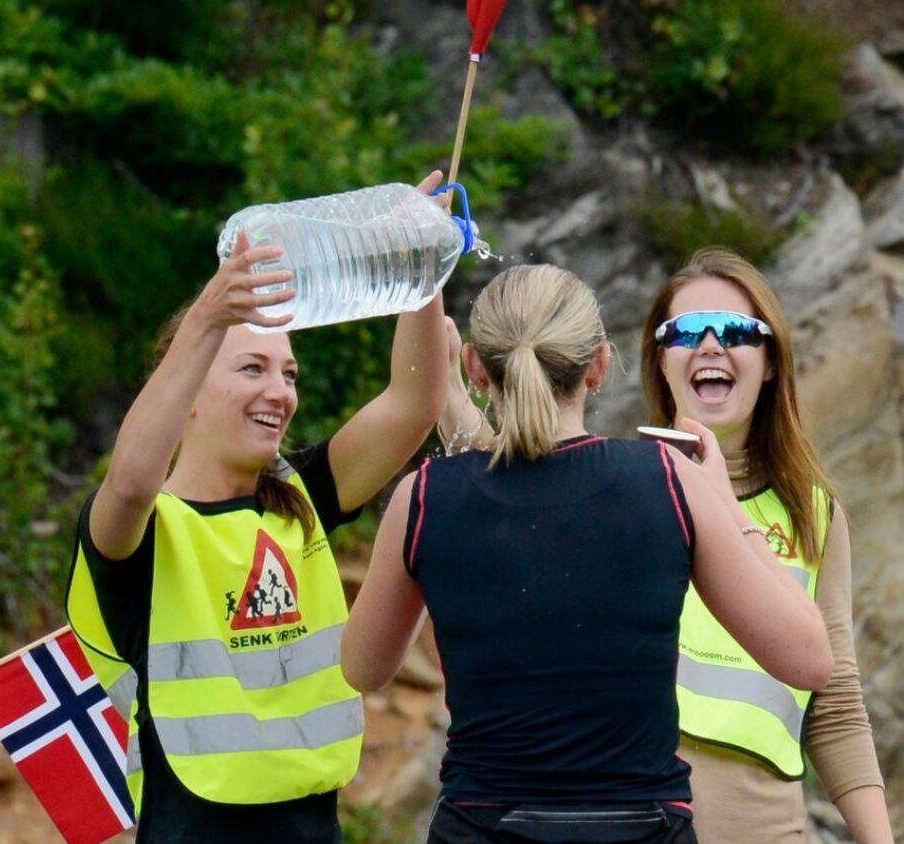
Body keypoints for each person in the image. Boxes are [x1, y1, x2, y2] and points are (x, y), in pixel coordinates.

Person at [343, 264, 832, 843]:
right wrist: (725, 504)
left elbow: (363, 668)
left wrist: (448, 394)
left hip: (482, 825)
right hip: (641, 829)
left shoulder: (424, 498)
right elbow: (809, 660)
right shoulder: (669, 482)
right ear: (599, 365)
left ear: (477, 367)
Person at [66, 172, 452, 842]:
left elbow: (412, 406)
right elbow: (128, 483)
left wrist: (419, 265)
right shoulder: (145, 531)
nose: (280, 391)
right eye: (252, 369)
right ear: (185, 393)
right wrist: (209, 317)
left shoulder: (300, 493)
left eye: (289, 373)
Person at [640, 248, 893, 843]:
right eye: (685, 331)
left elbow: (834, 709)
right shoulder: (618, 483)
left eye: (734, 330)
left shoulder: (815, 513)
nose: (709, 344)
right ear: (662, 359)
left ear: (772, 360)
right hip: (631, 814)